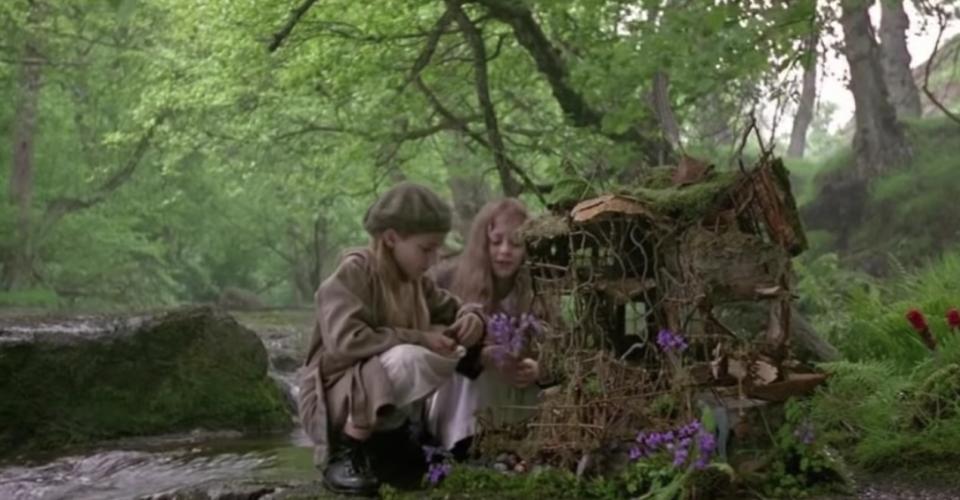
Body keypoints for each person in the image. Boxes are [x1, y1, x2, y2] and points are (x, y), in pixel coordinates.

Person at [297, 182, 485, 496]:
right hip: (335, 397)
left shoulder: (417, 283)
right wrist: (420, 337)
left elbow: (456, 309)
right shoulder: (354, 273)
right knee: (409, 357)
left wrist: (473, 319)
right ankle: (345, 453)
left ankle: (396, 444)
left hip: (378, 403)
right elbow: (347, 343)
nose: (434, 258)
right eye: (426, 249)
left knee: (457, 352)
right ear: (391, 239)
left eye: (438, 248)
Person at [427, 198, 549, 458]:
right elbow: (437, 346)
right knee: (473, 370)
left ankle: (518, 444)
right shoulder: (450, 281)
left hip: (516, 397)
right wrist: (485, 356)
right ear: (483, 244)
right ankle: (464, 443)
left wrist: (539, 368)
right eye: (496, 242)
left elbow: (557, 345)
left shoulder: (538, 289)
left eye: (516, 244)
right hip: (465, 396)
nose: (505, 251)